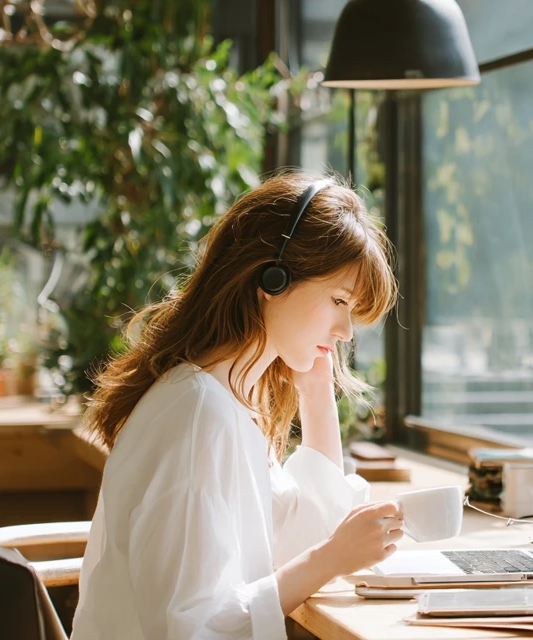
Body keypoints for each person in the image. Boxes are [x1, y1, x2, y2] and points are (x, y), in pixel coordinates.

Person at [71, 173, 401, 639]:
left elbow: (292, 538)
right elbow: (190, 628)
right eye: (338, 301)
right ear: (273, 278)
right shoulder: (198, 416)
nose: (346, 331)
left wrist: (316, 394)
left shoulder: (225, 399)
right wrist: (331, 558)